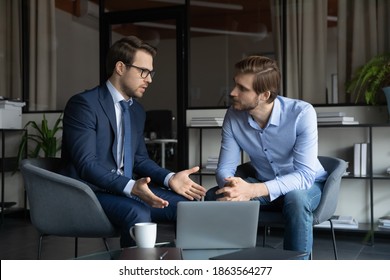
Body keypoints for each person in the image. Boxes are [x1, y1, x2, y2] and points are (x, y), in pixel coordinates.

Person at [61, 36, 206, 248]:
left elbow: (139, 159)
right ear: (120, 67)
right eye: (143, 72)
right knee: (137, 211)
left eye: (151, 73)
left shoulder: (136, 111)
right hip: (90, 192)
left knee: (188, 206)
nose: (149, 79)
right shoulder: (84, 105)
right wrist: (131, 187)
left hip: (125, 189)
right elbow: (87, 164)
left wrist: (170, 178)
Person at [205, 55, 328, 259]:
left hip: (307, 186)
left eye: (242, 89)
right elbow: (225, 167)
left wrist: (252, 190)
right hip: (265, 183)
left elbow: (305, 175)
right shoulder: (233, 116)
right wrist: (233, 187)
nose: (232, 92)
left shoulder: (301, 113)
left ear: (264, 95)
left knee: (295, 198)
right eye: (235, 84)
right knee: (215, 195)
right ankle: (230, 263)